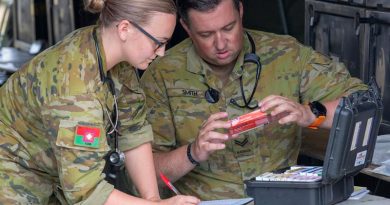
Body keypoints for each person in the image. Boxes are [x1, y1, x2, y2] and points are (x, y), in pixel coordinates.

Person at [140, 0, 368, 200]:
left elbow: (364, 101)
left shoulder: (285, 54)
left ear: (240, 11)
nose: (220, 44)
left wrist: (311, 114)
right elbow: (145, 176)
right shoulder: (162, 74)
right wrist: (193, 152)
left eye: (228, 28)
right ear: (186, 27)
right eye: (206, 34)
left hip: (282, 199)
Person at [0, 0, 200, 204]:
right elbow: (87, 193)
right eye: (158, 42)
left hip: (53, 177)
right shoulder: (76, 91)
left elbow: (133, 129)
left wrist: (153, 199)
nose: (162, 52)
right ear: (125, 29)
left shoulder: (113, 55)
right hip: (12, 180)